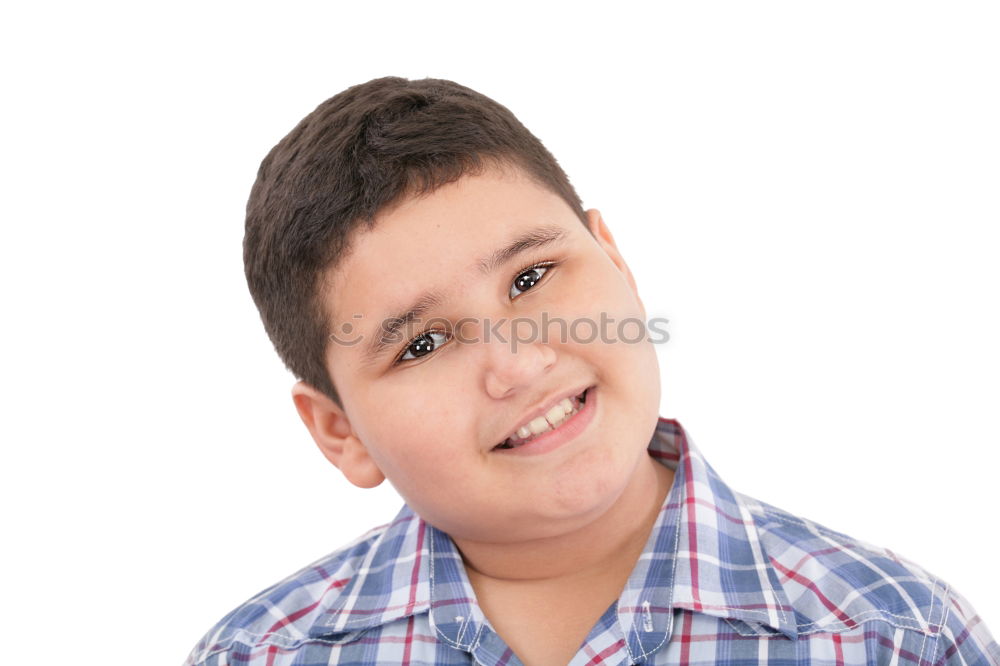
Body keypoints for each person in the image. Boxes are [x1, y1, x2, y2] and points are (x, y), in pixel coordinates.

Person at [184, 77, 998, 665]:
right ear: (340, 432)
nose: (518, 363)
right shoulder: (259, 655)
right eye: (422, 345)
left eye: (532, 279)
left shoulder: (895, 637)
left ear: (615, 259)